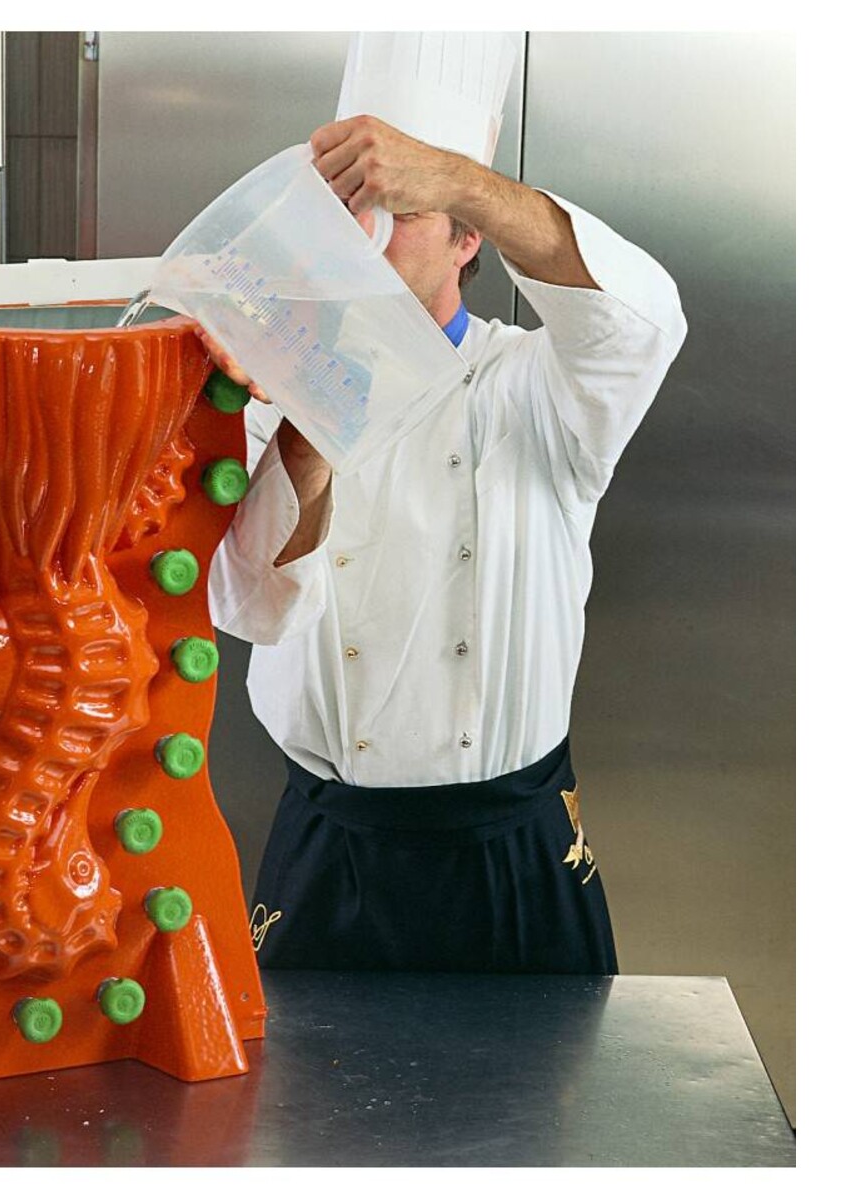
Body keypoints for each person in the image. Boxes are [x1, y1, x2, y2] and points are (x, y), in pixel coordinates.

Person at [205, 113, 688, 974]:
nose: (363, 236)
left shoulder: (538, 385)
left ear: (469, 237)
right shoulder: (271, 398)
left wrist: (461, 178)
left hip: (514, 845)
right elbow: (252, 606)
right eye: (345, 213)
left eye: (400, 209)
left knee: (552, 1069)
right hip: (333, 846)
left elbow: (640, 322)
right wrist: (316, 416)